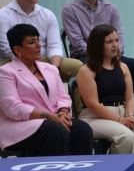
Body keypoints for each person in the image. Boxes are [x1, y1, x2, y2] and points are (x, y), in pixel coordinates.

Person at [77, 24, 134, 171]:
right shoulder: (86, 70)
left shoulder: (123, 67)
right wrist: (120, 120)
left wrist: (129, 115)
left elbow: (129, 98)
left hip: (123, 114)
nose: (115, 45)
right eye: (109, 42)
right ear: (97, 44)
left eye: (117, 40)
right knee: (126, 137)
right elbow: (92, 104)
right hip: (95, 117)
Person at [0, 24, 92, 156]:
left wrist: (63, 112)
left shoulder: (51, 69)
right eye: (32, 42)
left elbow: (63, 97)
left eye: (38, 40)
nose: (39, 46)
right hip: (19, 125)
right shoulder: (5, 72)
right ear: (17, 49)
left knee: (82, 129)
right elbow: (13, 108)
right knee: (56, 130)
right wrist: (51, 117)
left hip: (53, 120)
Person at [62, 0, 134, 91]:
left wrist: (117, 52)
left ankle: (124, 97)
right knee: (100, 69)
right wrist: (102, 54)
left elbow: (119, 36)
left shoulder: (110, 8)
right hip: (86, 55)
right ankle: (98, 100)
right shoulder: (70, 9)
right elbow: (76, 41)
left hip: (112, 54)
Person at [0, 0, 82, 81]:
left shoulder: (47, 14)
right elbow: (6, 48)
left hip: (44, 60)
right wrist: (29, 65)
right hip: (14, 60)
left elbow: (55, 45)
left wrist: (54, 68)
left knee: (79, 67)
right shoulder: (3, 15)